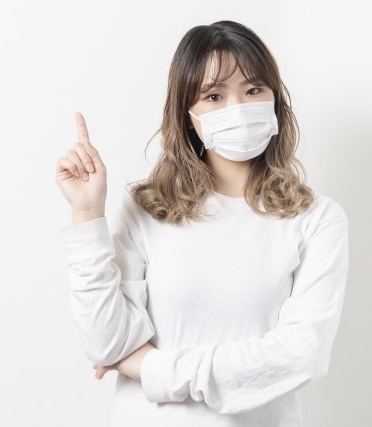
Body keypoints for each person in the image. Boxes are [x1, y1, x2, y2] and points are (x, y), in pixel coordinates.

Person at [55, 20, 349, 427]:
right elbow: (105, 344)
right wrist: (87, 214)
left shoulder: (316, 219)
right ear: (187, 115)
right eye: (214, 95)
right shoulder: (146, 209)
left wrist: (151, 368)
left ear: (275, 100)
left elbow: (303, 354)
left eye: (253, 90)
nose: (238, 108)